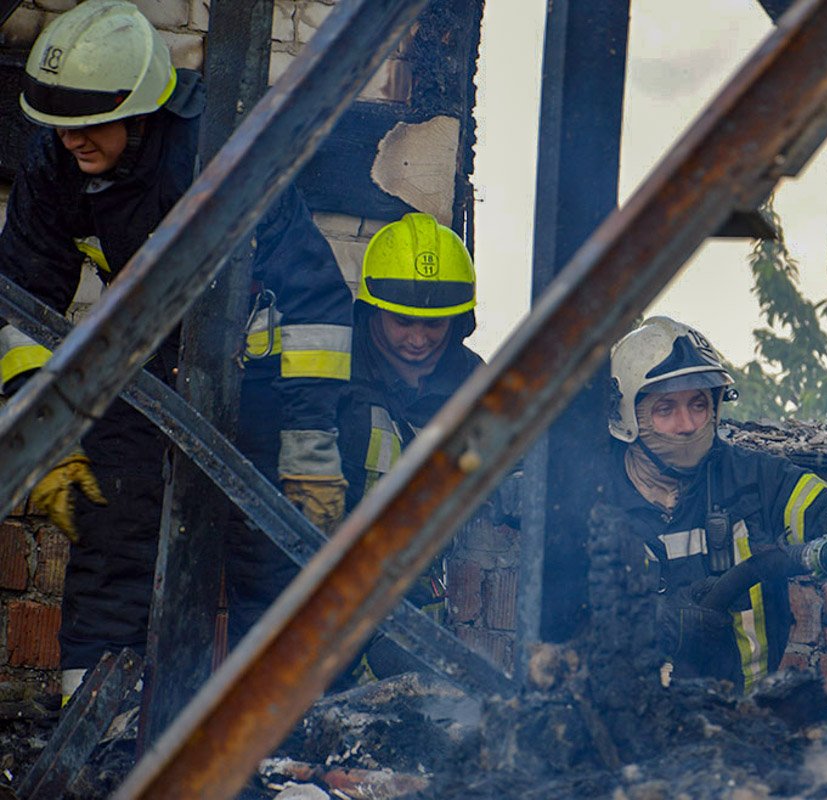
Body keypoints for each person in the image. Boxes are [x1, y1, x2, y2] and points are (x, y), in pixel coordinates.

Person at [0, 1, 353, 699]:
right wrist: (40, 436)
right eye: (61, 125)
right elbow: (20, 303)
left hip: (247, 378)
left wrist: (309, 452)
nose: (72, 141)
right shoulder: (58, 165)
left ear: (142, 110)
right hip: (139, 372)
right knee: (112, 533)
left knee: (269, 553)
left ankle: (270, 732)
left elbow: (315, 306)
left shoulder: (221, 149)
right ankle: (100, 725)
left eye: (89, 124)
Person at [603, 316, 827, 691]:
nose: (687, 425)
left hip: (746, 725)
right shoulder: (593, 500)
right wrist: (659, 623)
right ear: (628, 417)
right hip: (625, 729)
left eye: (698, 405)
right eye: (666, 409)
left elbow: (817, 509)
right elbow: (566, 619)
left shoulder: (754, 479)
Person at [337, 211, 485, 622]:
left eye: (434, 324)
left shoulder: (476, 387)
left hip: (421, 611)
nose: (418, 339)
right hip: (327, 600)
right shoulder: (335, 376)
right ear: (373, 310)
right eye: (402, 321)